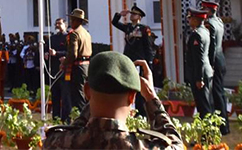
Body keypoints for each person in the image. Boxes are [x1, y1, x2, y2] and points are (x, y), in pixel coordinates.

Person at [43, 52, 180, 149]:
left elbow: (77, 128)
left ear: (87, 92)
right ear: (132, 97)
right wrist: (151, 97)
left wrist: (96, 93)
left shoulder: (55, 143)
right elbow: (176, 144)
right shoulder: (144, 147)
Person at [199, 0, 230, 135]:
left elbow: (210, 46)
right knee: (220, 93)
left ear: (209, 11)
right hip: (221, 58)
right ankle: (224, 126)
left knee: (214, 95)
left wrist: (209, 64)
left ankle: (220, 126)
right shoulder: (219, 21)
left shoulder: (209, 24)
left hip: (213, 60)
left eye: (204, 9)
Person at [183, 8, 214, 117]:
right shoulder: (205, 31)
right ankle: (209, 130)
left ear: (196, 20)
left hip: (199, 74)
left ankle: (208, 132)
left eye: (190, 18)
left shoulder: (196, 35)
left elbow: (198, 58)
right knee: (207, 103)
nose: (189, 21)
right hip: (207, 70)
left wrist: (199, 78)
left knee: (203, 106)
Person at [63, 8, 93, 119]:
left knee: (78, 95)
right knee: (85, 93)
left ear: (76, 21)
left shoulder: (74, 34)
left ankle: (82, 120)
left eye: (72, 20)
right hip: (86, 65)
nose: (71, 22)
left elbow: (72, 54)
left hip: (77, 67)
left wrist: (64, 62)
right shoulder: (86, 34)